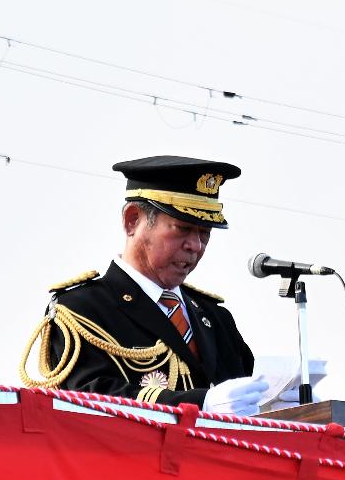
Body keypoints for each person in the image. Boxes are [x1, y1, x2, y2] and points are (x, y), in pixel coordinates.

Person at [22, 156, 266, 413]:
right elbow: (88, 400)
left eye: (205, 233)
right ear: (132, 220)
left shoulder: (215, 317)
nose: (195, 245)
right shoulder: (80, 310)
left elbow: (247, 392)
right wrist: (199, 404)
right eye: (182, 229)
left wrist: (277, 399)